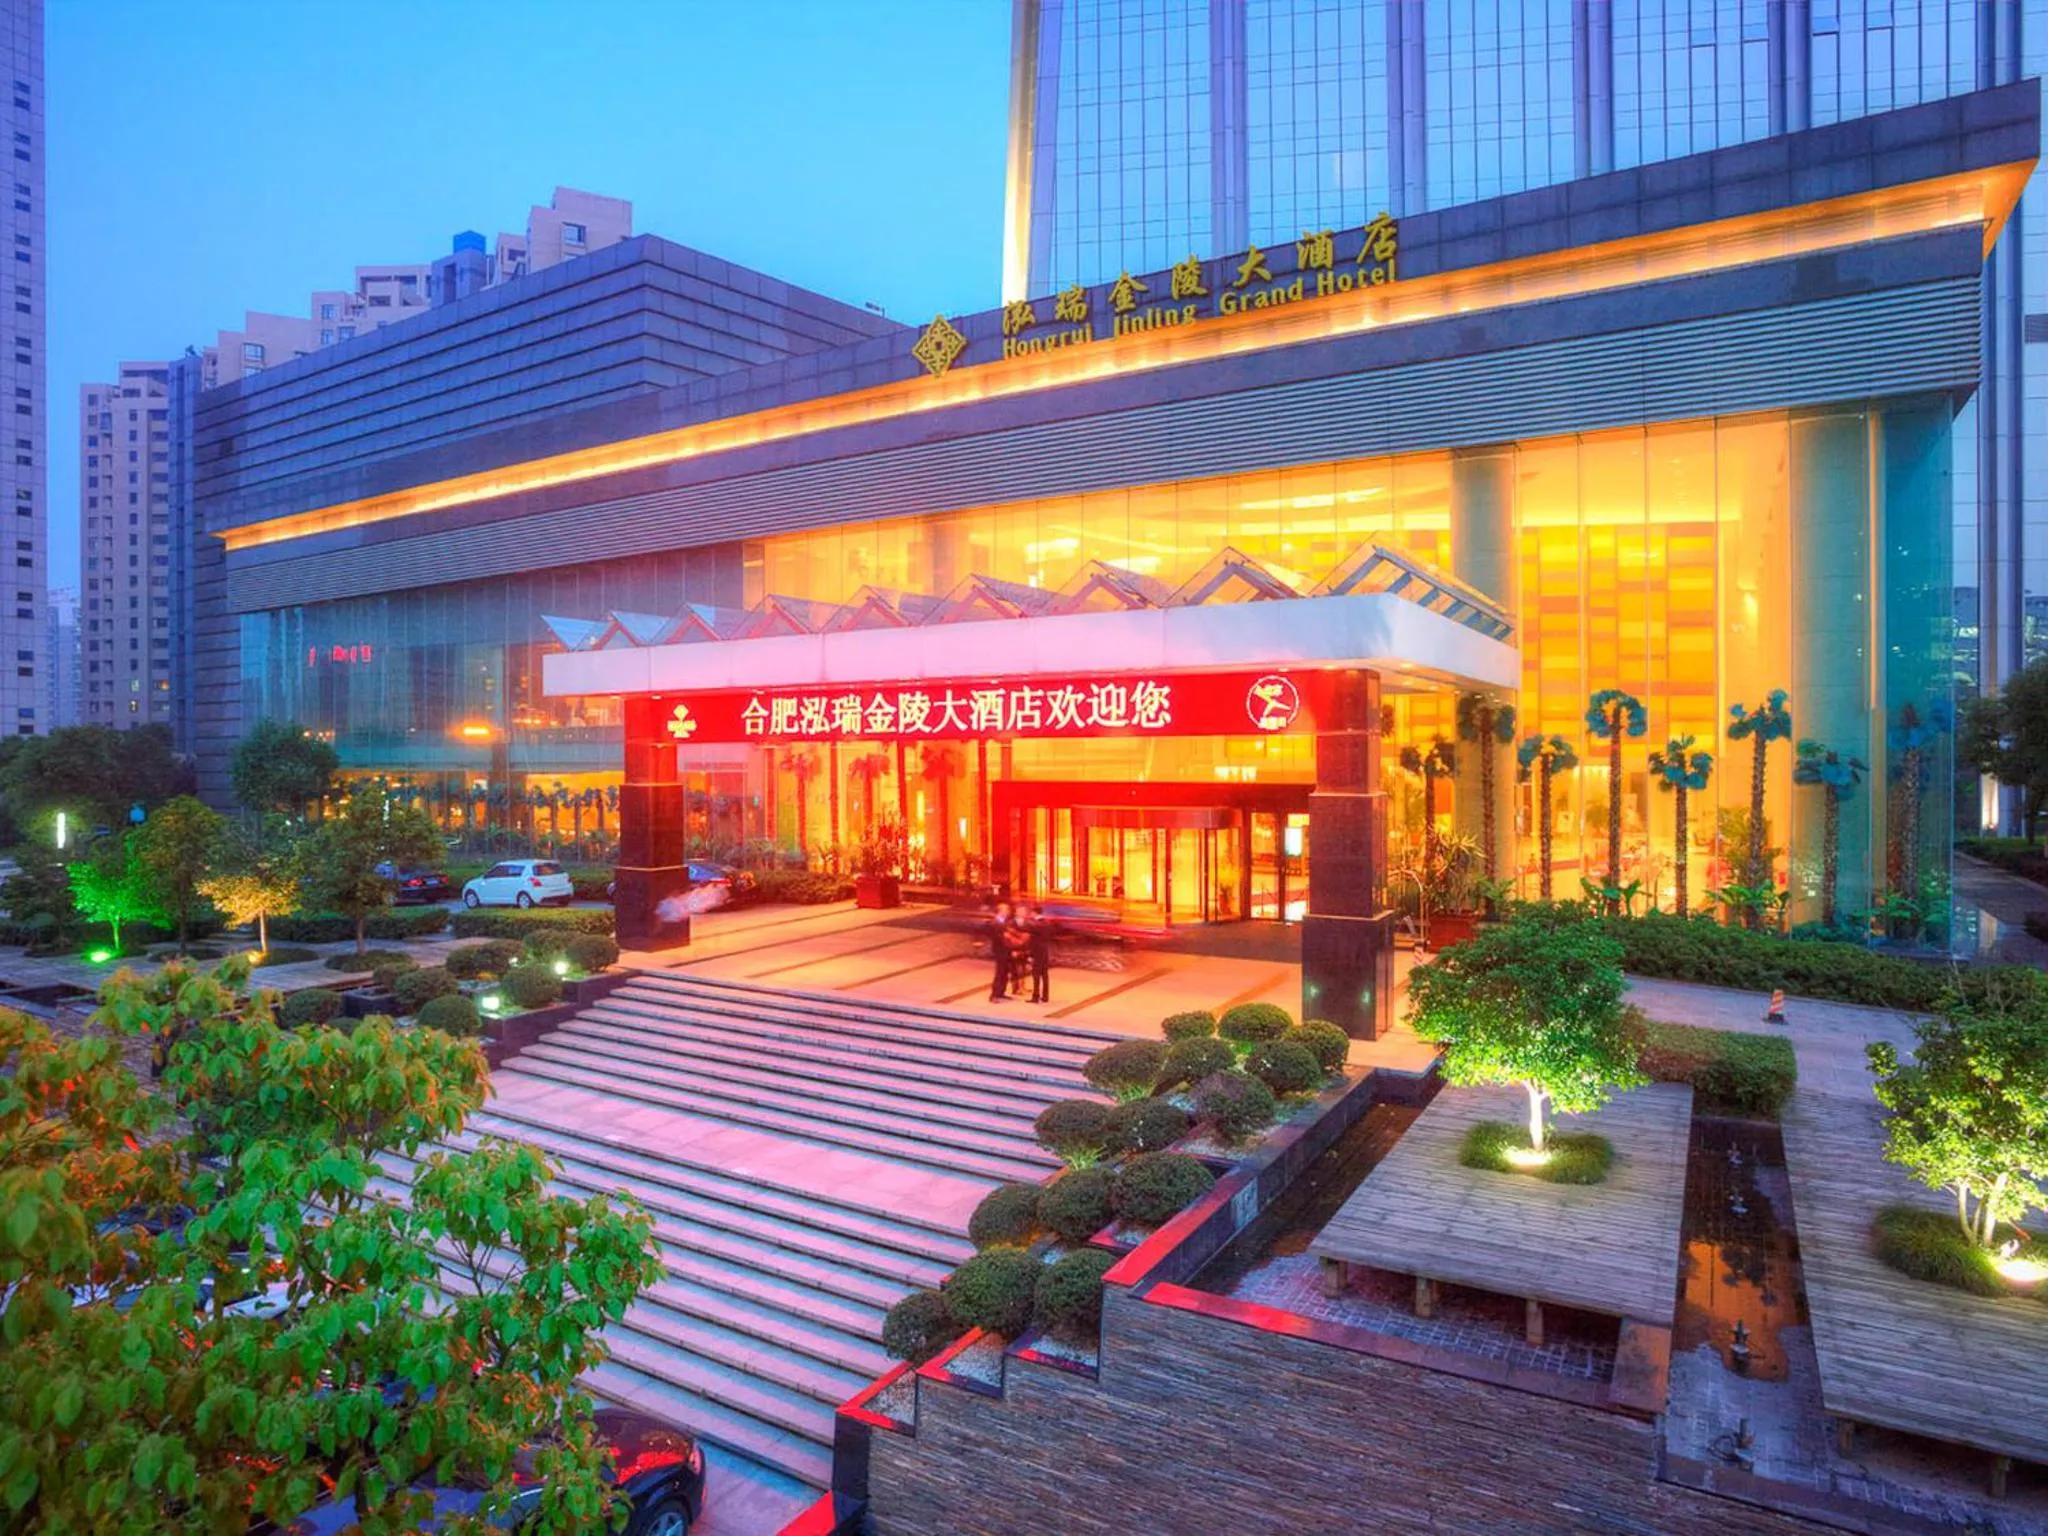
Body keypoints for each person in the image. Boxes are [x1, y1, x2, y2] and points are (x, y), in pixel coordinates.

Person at [986, 901, 1013, 1003]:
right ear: (1000, 911)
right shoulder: (994, 922)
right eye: (1006, 909)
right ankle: (994, 995)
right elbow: (993, 936)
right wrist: (1003, 936)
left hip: (1006, 949)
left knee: (1005, 971)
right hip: (999, 950)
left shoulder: (1005, 922)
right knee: (1000, 972)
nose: (1008, 912)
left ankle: (1001, 992)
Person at [1027, 903, 1052, 1004]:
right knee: (1044, 974)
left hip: (1037, 952)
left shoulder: (1035, 924)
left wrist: (1030, 954)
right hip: (1045, 951)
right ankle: (1045, 996)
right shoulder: (1047, 923)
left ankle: (1035, 996)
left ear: (1034, 913)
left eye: (1031, 913)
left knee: (1036, 974)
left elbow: (1033, 941)